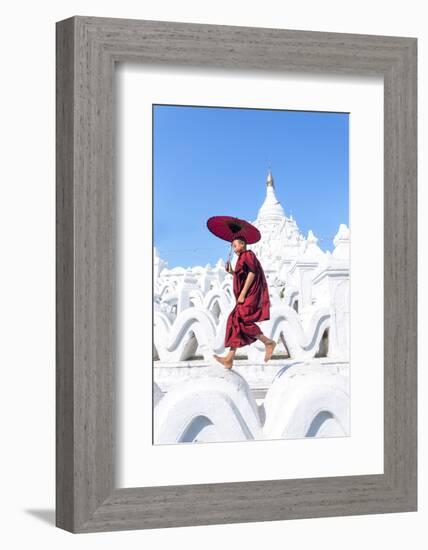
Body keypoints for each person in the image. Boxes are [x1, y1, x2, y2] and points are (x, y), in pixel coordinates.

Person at [213, 236, 276, 369]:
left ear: (243, 244)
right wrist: (231, 271)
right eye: (233, 246)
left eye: (235, 245)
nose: (234, 249)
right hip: (246, 295)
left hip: (249, 295)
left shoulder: (247, 255)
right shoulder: (242, 258)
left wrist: (242, 294)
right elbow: (242, 275)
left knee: (241, 318)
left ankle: (268, 342)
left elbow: (252, 273)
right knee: (235, 320)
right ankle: (229, 358)